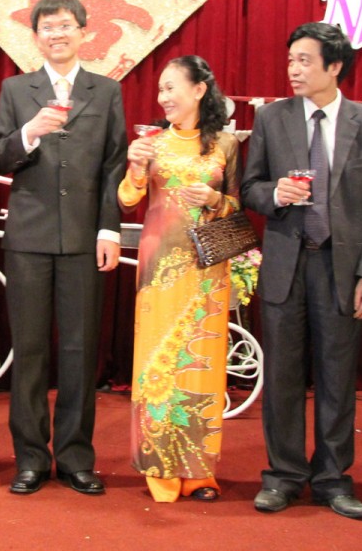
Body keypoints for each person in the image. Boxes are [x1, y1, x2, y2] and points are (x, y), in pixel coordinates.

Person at [240, 21, 362, 521]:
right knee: (282, 376)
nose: (294, 70)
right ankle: (283, 476)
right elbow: (249, 187)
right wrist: (275, 193)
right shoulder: (272, 118)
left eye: (304, 61)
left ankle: (333, 479)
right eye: (291, 60)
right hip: (287, 263)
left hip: (341, 267)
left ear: (334, 66)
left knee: (337, 377)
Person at [0, 0, 127, 496]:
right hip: (28, 236)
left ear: (83, 32)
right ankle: (29, 458)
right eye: (48, 27)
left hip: (85, 239)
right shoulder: (15, 89)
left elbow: (114, 164)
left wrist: (108, 229)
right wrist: (29, 133)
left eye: (66, 25)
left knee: (79, 351)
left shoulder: (106, 90)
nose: (57, 34)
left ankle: (74, 458)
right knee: (29, 351)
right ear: (36, 36)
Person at [119, 56, 241, 503]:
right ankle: (160, 469)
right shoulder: (151, 142)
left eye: (171, 88)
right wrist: (136, 168)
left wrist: (214, 199)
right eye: (160, 89)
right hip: (159, 270)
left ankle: (199, 472)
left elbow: (237, 207)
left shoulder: (225, 144)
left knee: (201, 365)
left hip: (208, 269)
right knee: (157, 365)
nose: (163, 97)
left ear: (199, 90)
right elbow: (127, 199)